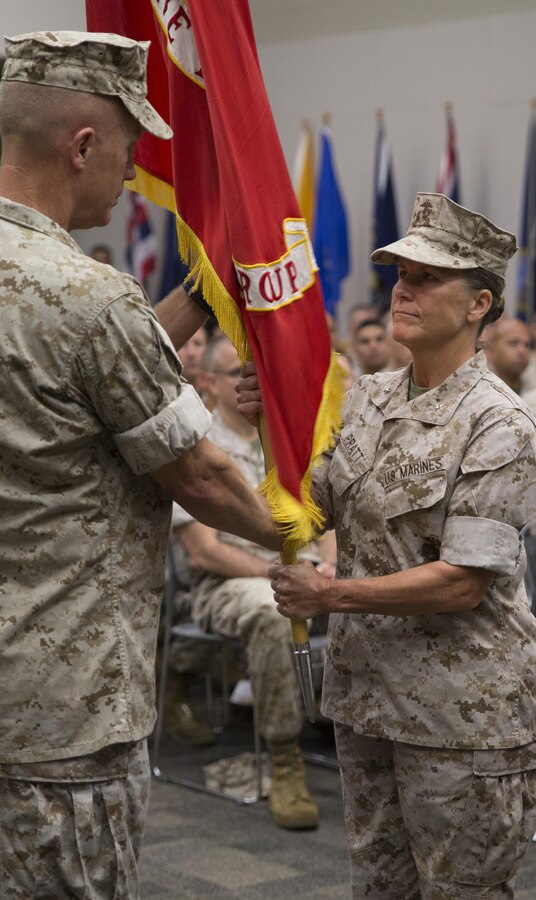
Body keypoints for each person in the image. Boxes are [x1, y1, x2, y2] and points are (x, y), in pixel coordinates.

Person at [0, 32, 282, 900]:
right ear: (82, 145)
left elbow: (68, 377)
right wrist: (306, 531)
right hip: (66, 706)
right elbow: (199, 473)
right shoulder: (90, 297)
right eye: (130, 148)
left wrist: (204, 291)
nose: (134, 172)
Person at [240, 193, 536, 896]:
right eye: (401, 273)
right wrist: (267, 431)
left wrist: (330, 593)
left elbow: (465, 581)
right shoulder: (368, 399)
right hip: (369, 696)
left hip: (461, 713)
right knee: (379, 886)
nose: (404, 287)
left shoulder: (500, 423)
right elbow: (303, 515)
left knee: (459, 889)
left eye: (428, 277)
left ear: (478, 305)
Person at [172, 334, 327, 830]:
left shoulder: (288, 437)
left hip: (305, 572)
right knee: (269, 607)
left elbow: (332, 521)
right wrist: (284, 576)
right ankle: (285, 758)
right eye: (241, 373)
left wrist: (332, 569)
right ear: (209, 383)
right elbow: (204, 550)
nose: (253, 384)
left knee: (378, 589)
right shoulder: (194, 449)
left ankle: (359, 736)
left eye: (259, 374)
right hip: (228, 582)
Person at [483, 316, 532, 394]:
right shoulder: (481, 387)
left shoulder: (532, 386)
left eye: (527, 345)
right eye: (513, 343)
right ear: (492, 350)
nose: (522, 350)